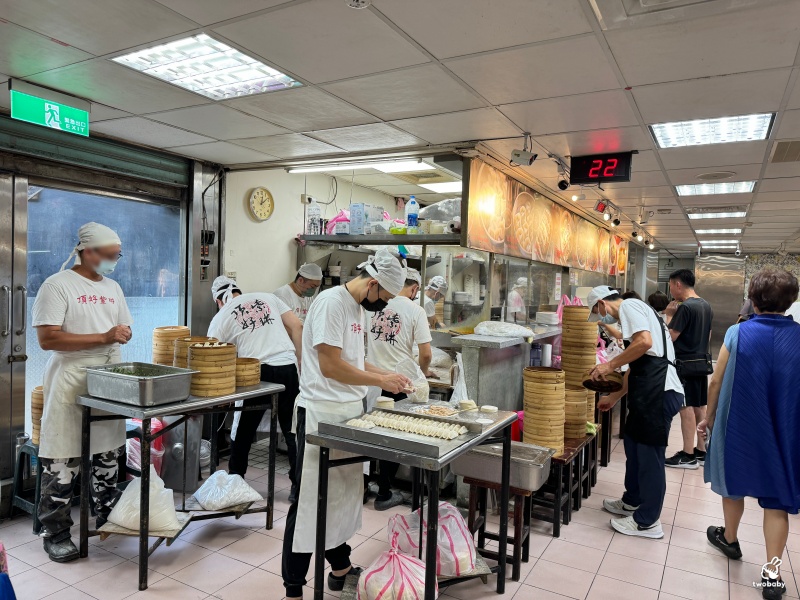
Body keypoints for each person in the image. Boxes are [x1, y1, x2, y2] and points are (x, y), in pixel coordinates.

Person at [282, 249, 412, 600]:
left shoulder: (356, 308)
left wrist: (386, 374)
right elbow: (330, 366)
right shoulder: (331, 303)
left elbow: (355, 358)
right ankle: (294, 587)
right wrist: (378, 382)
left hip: (346, 414)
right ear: (372, 283)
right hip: (320, 414)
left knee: (339, 499)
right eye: (383, 297)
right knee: (311, 500)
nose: (382, 305)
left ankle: (339, 570)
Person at [32, 223, 132, 562]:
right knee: (63, 461)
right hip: (71, 379)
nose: (113, 261)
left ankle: (108, 515)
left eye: (117, 255)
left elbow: (121, 327)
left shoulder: (114, 287)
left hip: (106, 378)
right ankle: (55, 532)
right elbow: (48, 339)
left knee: (107, 457)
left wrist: (119, 336)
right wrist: (104, 337)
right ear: (88, 252)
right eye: (109, 255)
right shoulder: (57, 286)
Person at [700, 269, 800, 599]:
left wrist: (709, 418)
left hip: (739, 424)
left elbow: (716, 381)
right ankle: (772, 575)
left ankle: (729, 539)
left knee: (734, 483)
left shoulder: (737, 333)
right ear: (791, 300)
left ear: (753, 299)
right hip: (784, 426)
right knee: (776, 499)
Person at [587, 286, 684, 540]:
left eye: (597, 311)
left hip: (660, 392)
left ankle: (648, 521)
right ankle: (632, 501)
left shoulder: (630, 306)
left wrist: (608, 365)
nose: (600, 317)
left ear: (601, 303)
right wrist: (615, 396)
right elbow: (636, 364)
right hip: (647, 391)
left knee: (650, 457)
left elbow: (645, 343)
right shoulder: (638, 313)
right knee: (633, 445)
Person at [207, 276, 303, 496]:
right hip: (287, 366)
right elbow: (297, 326)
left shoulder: (222, 315)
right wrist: (300, 361)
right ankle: (298, 487)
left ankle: (235, 483)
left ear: (219, 300)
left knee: (244, 431)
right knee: (291, 430)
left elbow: (213, 355)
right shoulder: (267, 297)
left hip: (258, 371)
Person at [365, 267, 433, 510]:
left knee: (366, 434)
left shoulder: (371, 304)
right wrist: (421, 376)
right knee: (392, 438)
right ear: (414, 288)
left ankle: (363, 488)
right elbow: (426, 354)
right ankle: (384, 493)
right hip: (398, 384)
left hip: (370, 379)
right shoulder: (416, 310)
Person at [664, 269, 713, 470]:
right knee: (700, 405)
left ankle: (687, 455)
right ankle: (701, 451)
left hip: (684, 364)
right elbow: (708, 336)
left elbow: (670, 337)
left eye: (670, 286)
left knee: (686, 409)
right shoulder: (706, 305)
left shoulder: (686, 308)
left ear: (678, 284)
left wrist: (668, 316)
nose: (671, 292)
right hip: (702, 362)